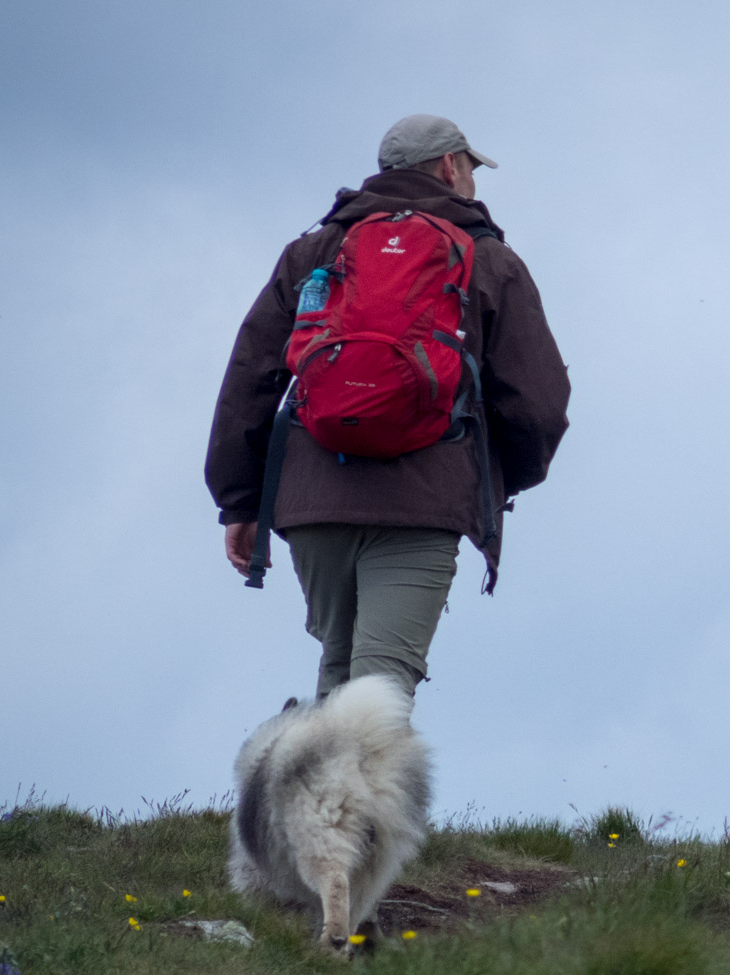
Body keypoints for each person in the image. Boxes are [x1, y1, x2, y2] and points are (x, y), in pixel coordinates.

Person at [205, 114, 570, 699]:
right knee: (381, 686)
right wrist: (492, 484)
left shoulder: (314, 251)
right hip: (423, 501)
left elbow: (251, 378)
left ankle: (317, 794)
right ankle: (351, 791)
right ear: (451, 166)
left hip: (314, 501)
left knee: (339, 668)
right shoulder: (489, 260)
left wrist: (240, 502)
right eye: (472, 168)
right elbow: (537, 401)